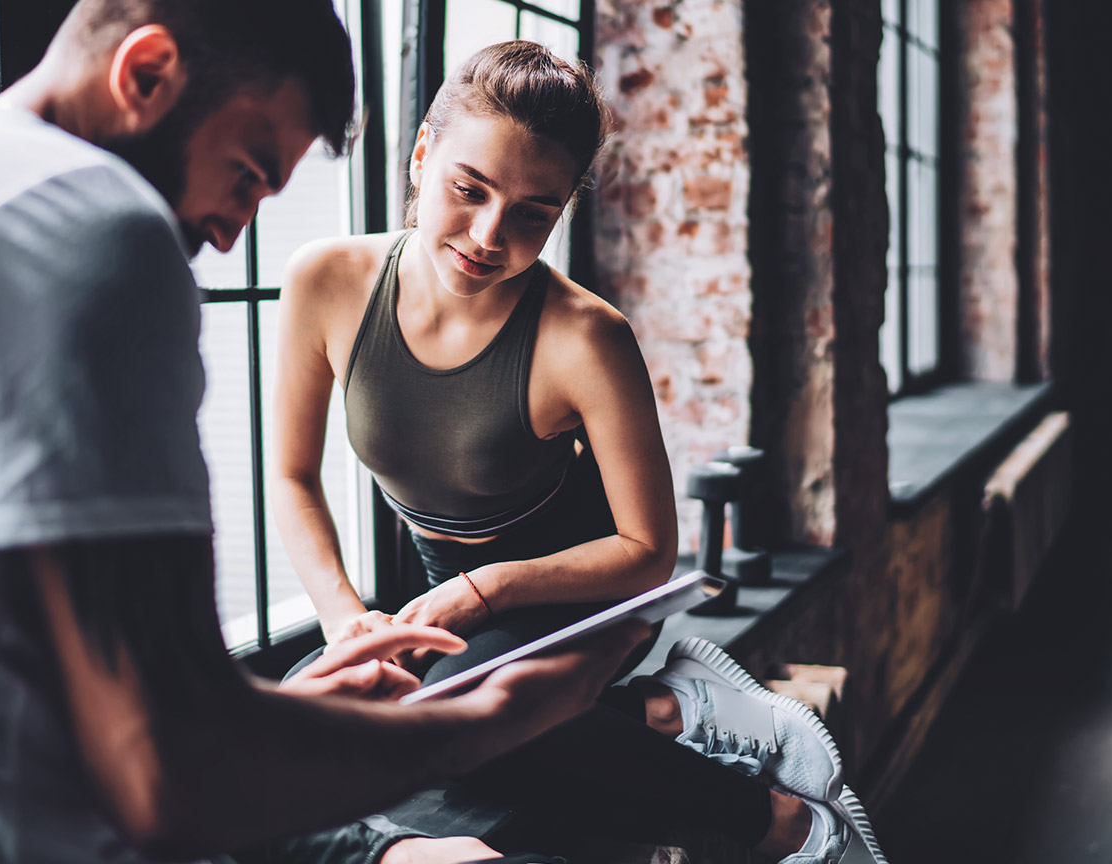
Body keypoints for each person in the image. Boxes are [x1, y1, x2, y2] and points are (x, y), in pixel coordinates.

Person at [0, 4, 651, 862]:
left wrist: (269, 714)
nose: (232, 230)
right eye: (247, 172)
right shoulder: (87, 231)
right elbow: (165, 775)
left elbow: (17, 671)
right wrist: (495, 718)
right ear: (148, 71)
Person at [272, 40, 887, 864]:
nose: (490, 235)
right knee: (311, 722)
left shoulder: (586, 336)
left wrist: (483, 592)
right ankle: (664, 716)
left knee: (465, 722)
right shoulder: (325, 281)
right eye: (469, 189)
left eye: (534, 213)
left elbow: (646, 551)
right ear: (422, 155)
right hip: (453, 615)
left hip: (589, 602)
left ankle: (784, 826)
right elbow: (291, 476)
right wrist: (347, 621)